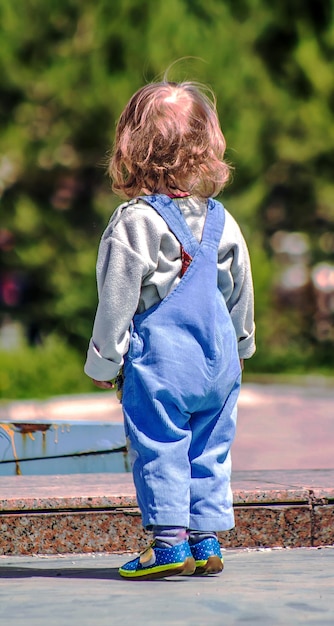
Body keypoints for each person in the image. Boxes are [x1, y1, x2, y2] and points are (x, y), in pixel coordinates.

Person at [84, 80, 255, 580]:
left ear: (130, 150)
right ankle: (205, 538)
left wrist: (104, 361)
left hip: (163, 364)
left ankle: (168, 545)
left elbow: (116, 302)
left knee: (160, 445)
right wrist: (241, 346)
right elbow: (240, 293)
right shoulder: (224, 221)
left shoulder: (132, 223)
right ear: (206, 149)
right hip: (218, 361)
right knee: (210, 447)